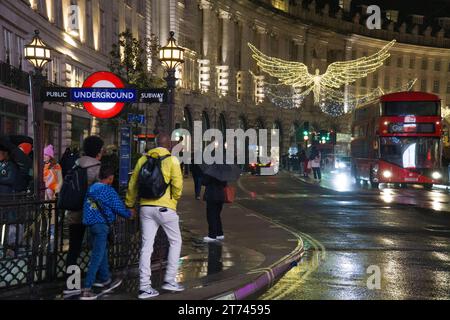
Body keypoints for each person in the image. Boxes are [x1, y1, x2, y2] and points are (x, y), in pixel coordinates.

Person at [126, 133, 184, 299]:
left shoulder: (143, 160)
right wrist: (173, 199)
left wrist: (130, 204)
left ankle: (144, 287)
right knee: (175, 241)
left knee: (146, 246)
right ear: (168, 145)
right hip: (165, 208)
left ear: (155, 144)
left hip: (145, 207)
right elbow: (177, 185)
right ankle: (170, 280)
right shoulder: (172, 160)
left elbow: (133, 184)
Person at [80, 165, 134, 300]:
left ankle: (105, 279)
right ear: (110, 178)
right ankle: (87, 289)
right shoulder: (108, 190)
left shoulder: (92, 188)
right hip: (101, 226)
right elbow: (118, 207)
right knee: (97, 256)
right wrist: (129, 214)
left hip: (90, 224)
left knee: (101, 252)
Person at [64, 136, 104, 295]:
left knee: (73, 249)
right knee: (98, 248)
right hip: (93, 215)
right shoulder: (97, 167)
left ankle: (71, 285)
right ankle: (97, 281)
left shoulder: (76, 165)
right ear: (98, 151)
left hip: (74, 213)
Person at [202, 171, 227, 243]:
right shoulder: (223, 171)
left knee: (211, 215)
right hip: (221, 195)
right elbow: (225, 184)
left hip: (211, 195)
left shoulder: (210, 171)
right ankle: (219, 233)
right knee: (217, 215)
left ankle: (212, 235)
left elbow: (204, 182)